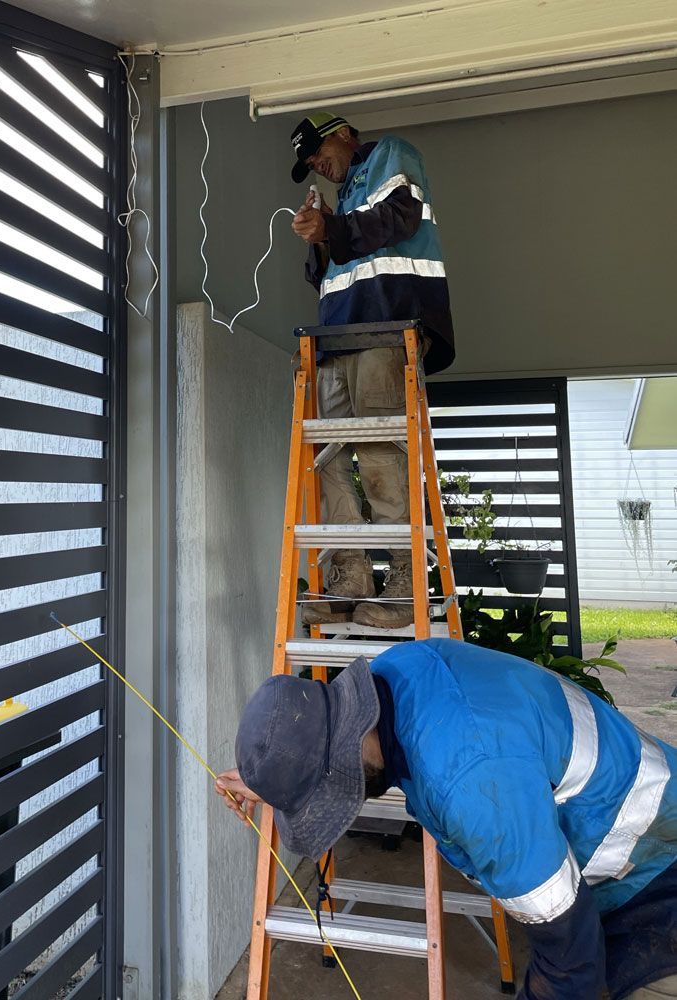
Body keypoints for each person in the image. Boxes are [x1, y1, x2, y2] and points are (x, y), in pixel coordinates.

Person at [215, 639, 677, 1000]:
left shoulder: (471, 783)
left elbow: (569, 964)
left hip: (655, 866)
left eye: (329, 796)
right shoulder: (394, 673)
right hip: (613, 826)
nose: (343, 807)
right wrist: (279, 776)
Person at [289, 112, 455, 630]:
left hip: (387, 328)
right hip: (337, 336)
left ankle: (405, 580)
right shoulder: (342, 203)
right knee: (330, 456)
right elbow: (329, 271)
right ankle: (352, 577)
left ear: (342, 134)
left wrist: (333, 227)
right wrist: (318, 238)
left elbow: (400, 217)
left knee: (380, 448)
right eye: (313, 164)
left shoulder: (391, 154)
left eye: (320, 155)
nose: (320, 166)